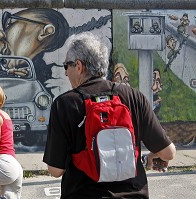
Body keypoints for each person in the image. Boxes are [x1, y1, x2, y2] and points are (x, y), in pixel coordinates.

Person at [43, 32, 176, 199]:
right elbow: (168, 153)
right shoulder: (133, 97)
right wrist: (150, 155)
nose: (65, 73)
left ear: (78, 66)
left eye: (66, 66)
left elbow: (56, 170)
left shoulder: (65, 104)